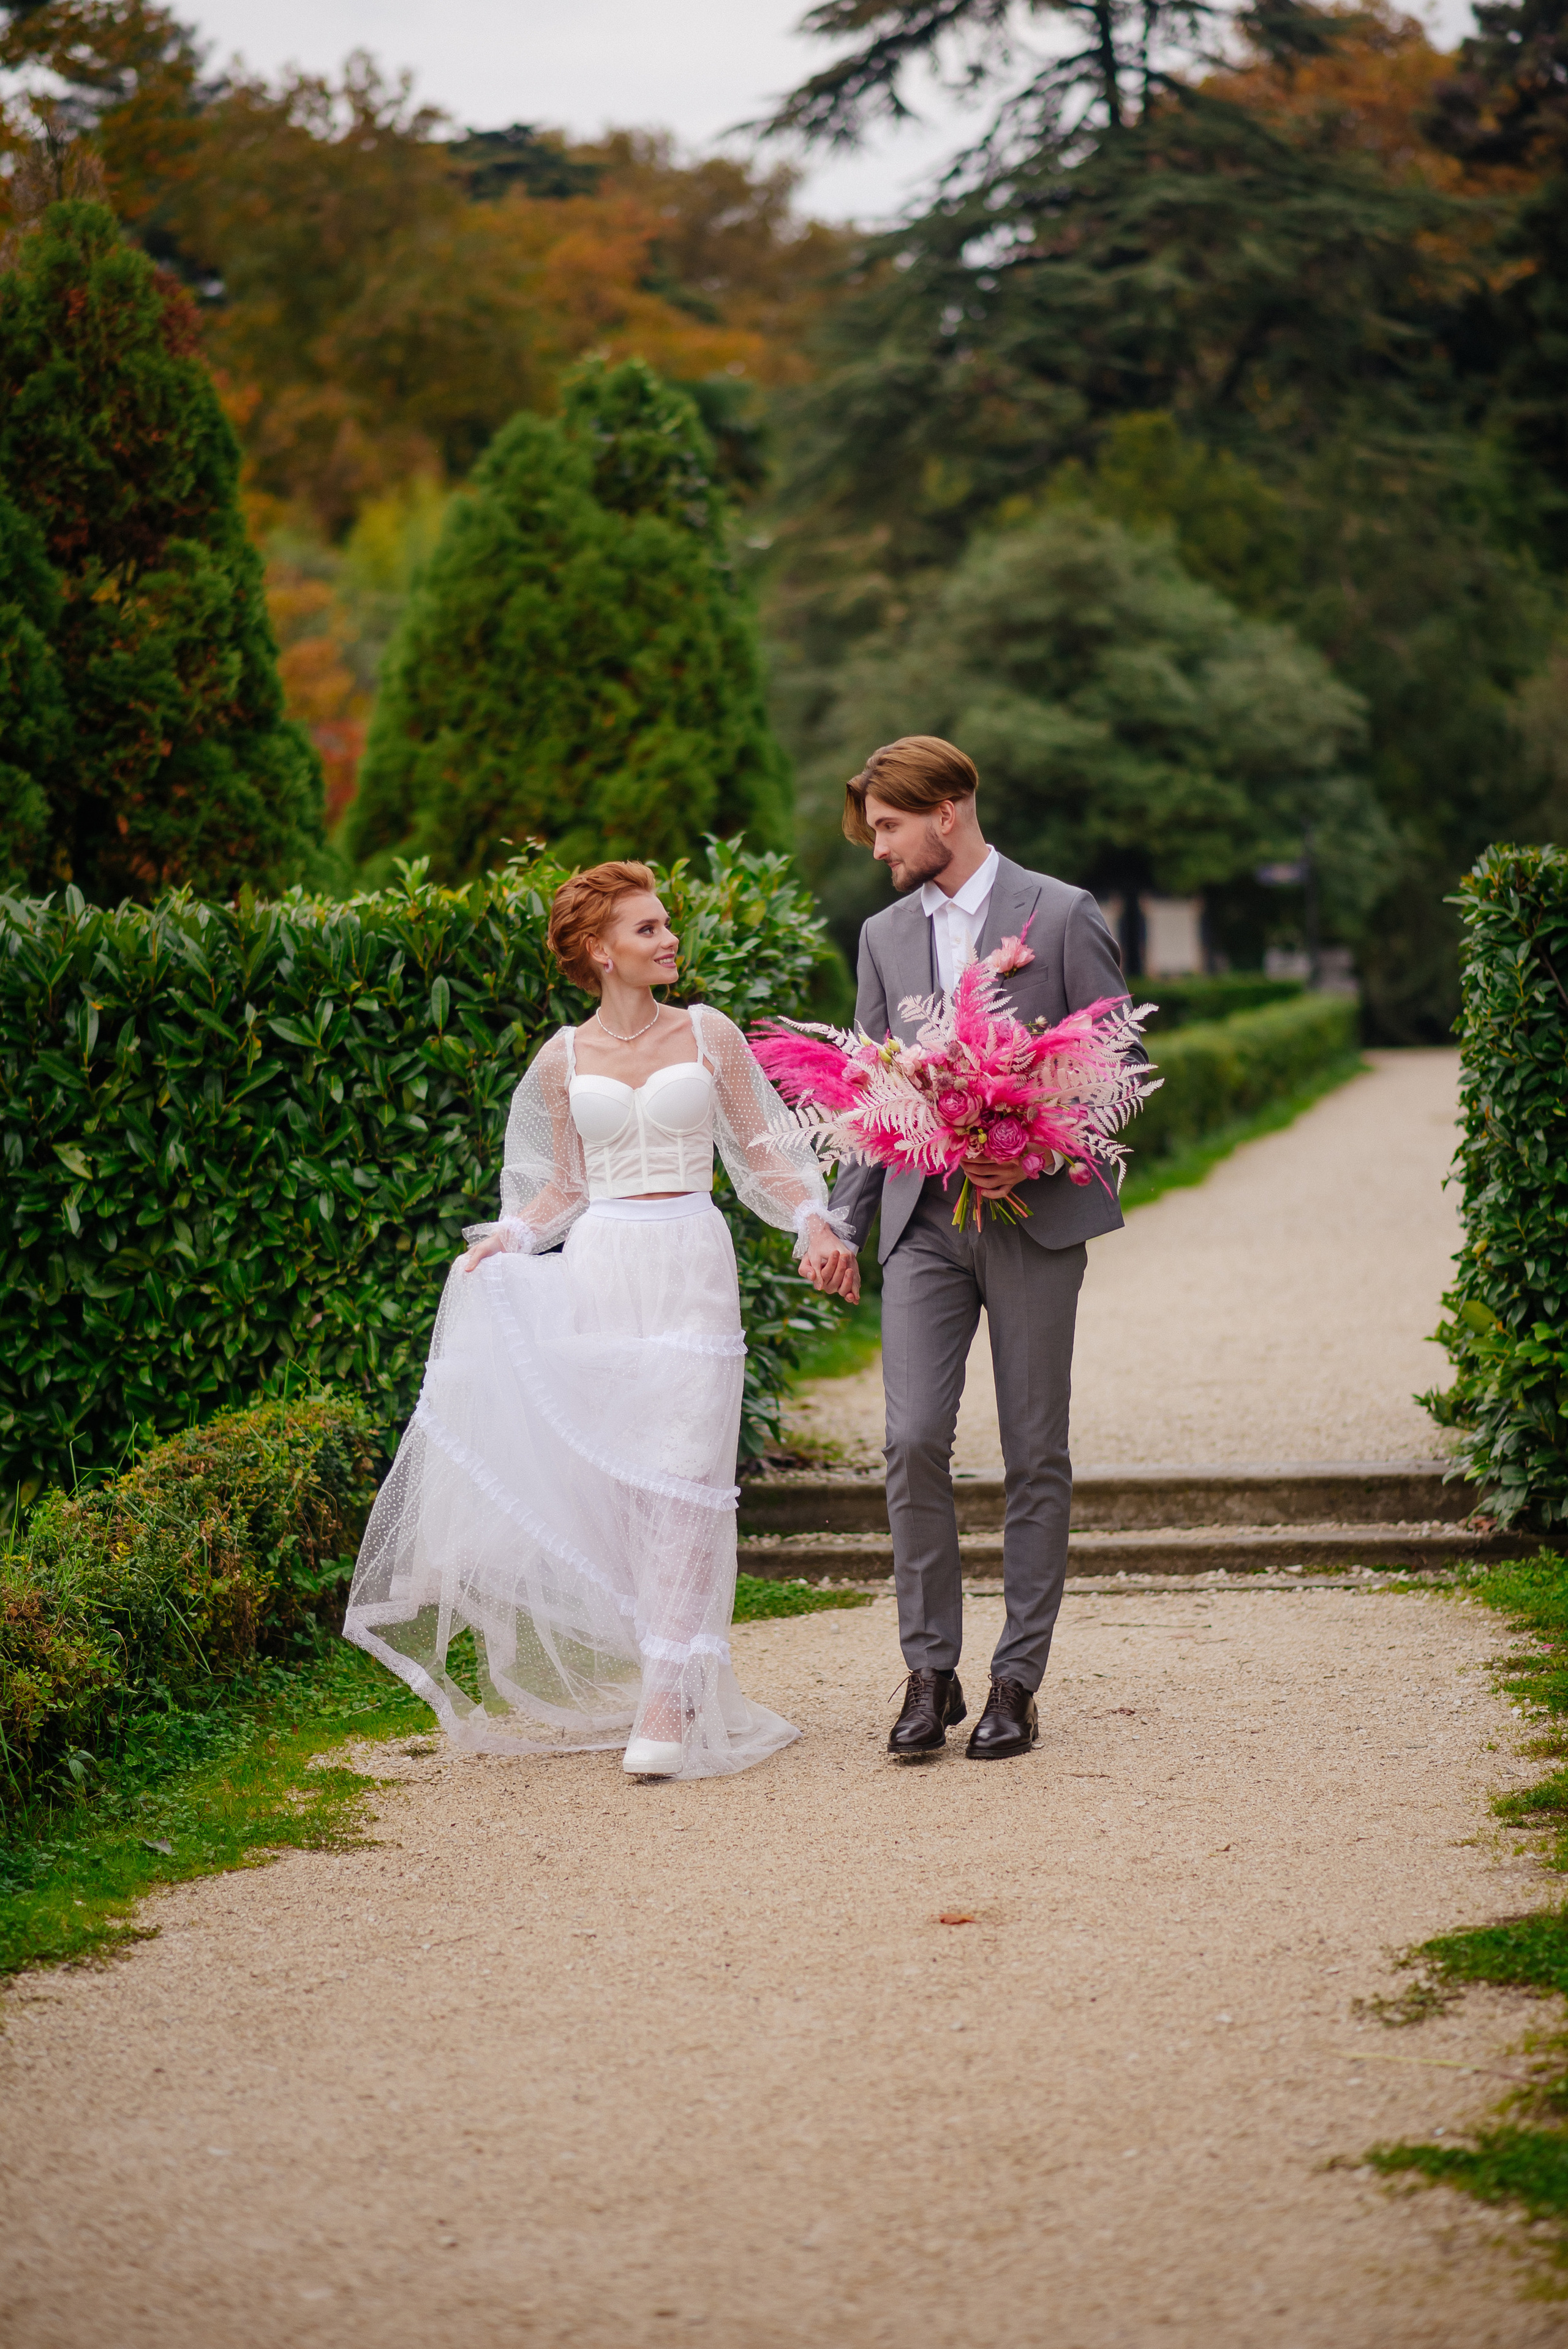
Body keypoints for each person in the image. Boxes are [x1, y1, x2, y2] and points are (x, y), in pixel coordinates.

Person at [343, 861, 860, 1782]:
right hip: (603, 1269)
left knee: (684, 1480)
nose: (669, 941)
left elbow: (764, 1155)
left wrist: (814, 1219)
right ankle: (675, 1668)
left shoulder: (709, 1032)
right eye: (648, 929)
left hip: (691, 1263)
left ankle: (669, 1692)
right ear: (598, 951)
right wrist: (508, 1237)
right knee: (626, 1485)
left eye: (666, 925)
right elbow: (562, 1187)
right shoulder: (561, 1058)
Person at [829, 738, 1134, 1763]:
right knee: (912, 1437)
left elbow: (1115, 1070)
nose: (878, 848)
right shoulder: (879, 936)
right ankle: (930, 1671)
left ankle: (1017, 1679)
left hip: (1034, 1223)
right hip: (923, 1224)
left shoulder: (1060, 912)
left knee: (1032, 1449)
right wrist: (839, 1219)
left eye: (887, 826)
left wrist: (1036, 1159)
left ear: (947, 810)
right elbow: (871, 1095)